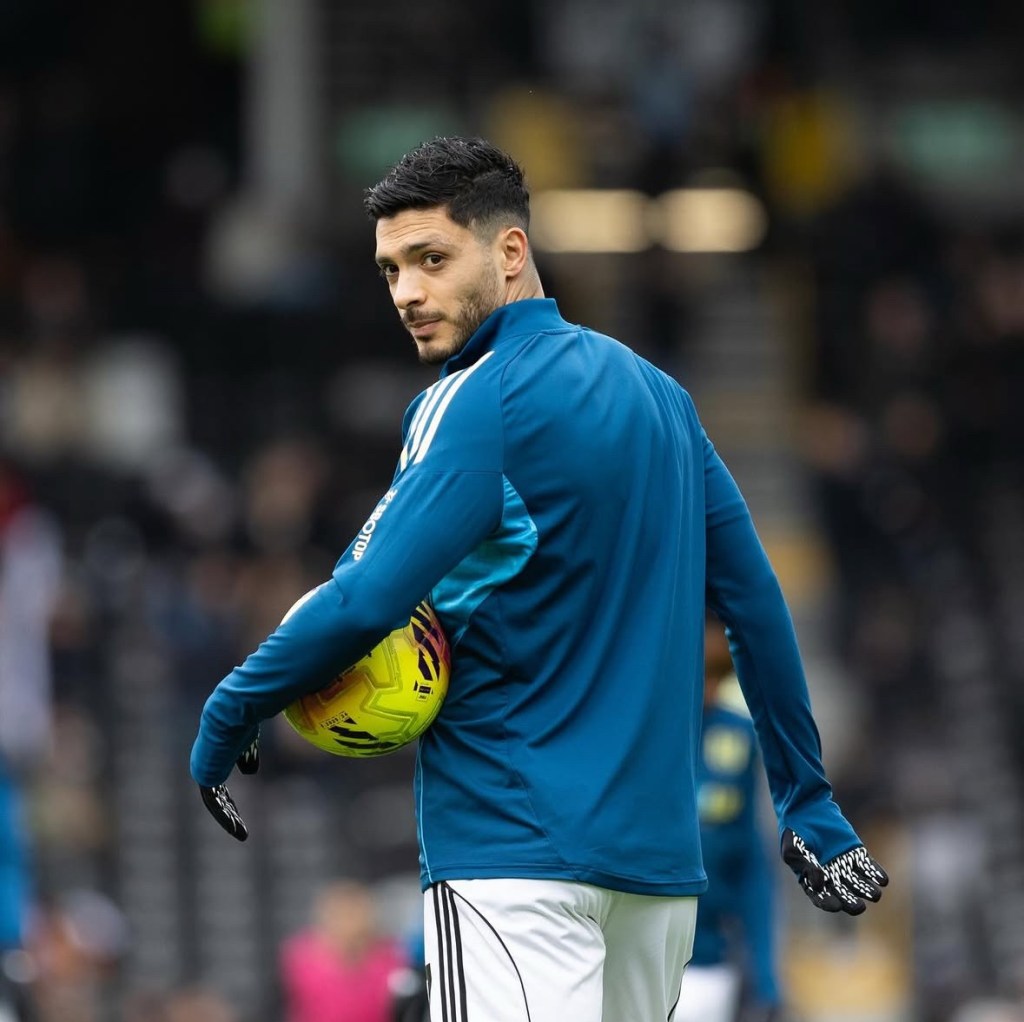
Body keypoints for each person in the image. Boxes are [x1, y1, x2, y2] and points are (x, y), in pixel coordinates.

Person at [190, 136, 888, 1022]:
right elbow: (753, 605)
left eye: (432, 259)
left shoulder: (470, 401)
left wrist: (232, 708)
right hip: (656, 881)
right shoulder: (664, 400)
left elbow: (366, 599)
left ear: (511, 250)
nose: (407, 293)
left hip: (510, 855)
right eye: (391, 269)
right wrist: (808, 802)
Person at [677, 617, 782, 1022]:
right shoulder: (637, 730)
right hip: (629, 955)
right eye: (697, 668)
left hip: (706, 965)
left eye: (719, 671)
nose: (708, 684)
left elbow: (749, 859)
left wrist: (767, 977)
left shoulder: (737, 737)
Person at [279, 880, 407, 1022]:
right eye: (340, 914)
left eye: (353, 913)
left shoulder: (390, 959)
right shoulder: (301, 961)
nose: (348, 923)